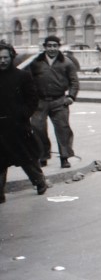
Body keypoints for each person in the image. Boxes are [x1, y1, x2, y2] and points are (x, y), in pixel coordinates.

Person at [0, 41, 48, 203]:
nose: (2, 61)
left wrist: (22, 115)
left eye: (5, 57)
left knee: (27, 159)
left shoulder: (22, 76)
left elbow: (32, 100)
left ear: (11, 57)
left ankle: (39, 182)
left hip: (18, 126)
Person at [29, 36, 80, 169]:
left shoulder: (67, 62)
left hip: (59, 101)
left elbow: (74, 81)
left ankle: (64, 157)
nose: (52, 48)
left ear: (59, 47)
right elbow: (28, 80)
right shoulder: (36, 62)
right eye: (49, 46)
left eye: (55, 46)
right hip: (40, 102)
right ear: (45, 47)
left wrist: (71, 97)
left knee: (63, 129)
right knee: (37, 128)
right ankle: (43, 155)